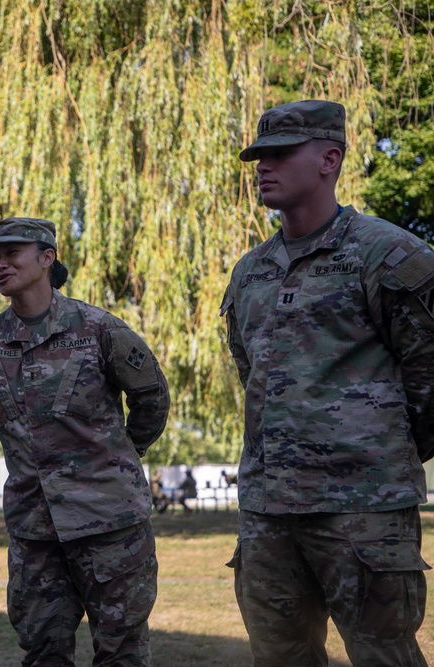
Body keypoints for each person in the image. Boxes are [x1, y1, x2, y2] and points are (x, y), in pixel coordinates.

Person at [221, 99, 434, 666]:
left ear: (329, 159)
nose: (264, 166)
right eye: (259, 156)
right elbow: (253, 372)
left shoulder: (389, 254)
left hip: (362, 509)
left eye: (281, 154)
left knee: (383, 655)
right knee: (280, 656)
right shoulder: (251, 271)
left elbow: (429, 373)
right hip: (268, 512)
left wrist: (374, 451)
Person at [0, 217, 171, 666]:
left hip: (110, 524)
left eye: (11, 254)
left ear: (47, 259)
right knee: (43, 651)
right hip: (35, 529)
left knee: (121, 652)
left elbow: (152, 397)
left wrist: (121, 455)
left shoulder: (98, 328)